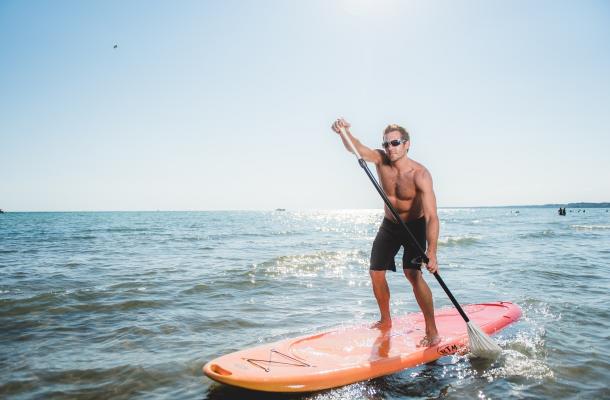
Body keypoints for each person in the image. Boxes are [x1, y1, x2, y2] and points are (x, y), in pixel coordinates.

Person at [331, 118, 440, 347]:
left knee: (412, 274)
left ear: (407, 144)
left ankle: (432, 331)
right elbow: (357, 148)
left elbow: (431, 216)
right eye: (387, 144)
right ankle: (386, 320)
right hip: (390, 225)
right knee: (375, 272)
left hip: (415, 226)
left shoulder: (420, 174)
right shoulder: (381, 160)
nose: (390, 148)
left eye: (396, 143)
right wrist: (343, 132)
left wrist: (432, 251)